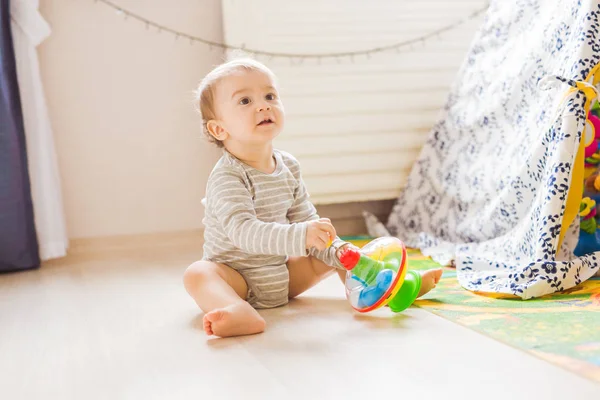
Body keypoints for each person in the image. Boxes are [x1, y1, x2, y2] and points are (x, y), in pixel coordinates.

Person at [183, 58, 443, 338]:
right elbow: (243, 233)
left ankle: (387, 286)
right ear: (219, 129)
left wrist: (327, 243)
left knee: (339, 249)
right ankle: (236, 310)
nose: (263, 105)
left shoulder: (288, 166)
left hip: (283, 276)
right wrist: (301, 235)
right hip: (238, 279)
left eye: (270, 96)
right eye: (245, 101)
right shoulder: (227, 177)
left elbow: (307, 221)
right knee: (199, 273)